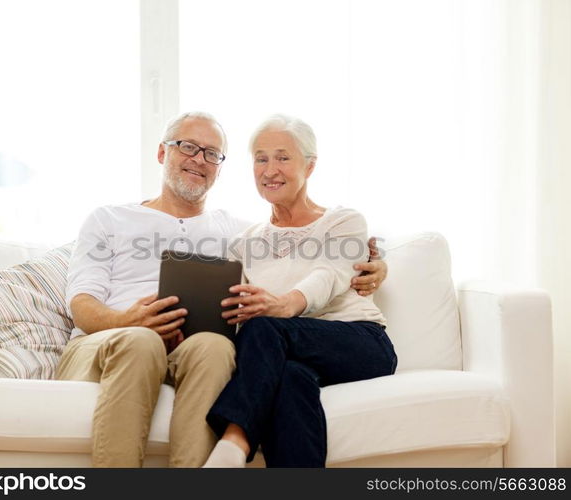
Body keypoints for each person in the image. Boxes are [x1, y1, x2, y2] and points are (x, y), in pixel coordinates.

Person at [54, 111, 388, 467]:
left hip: (191, 347)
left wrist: (377, 262)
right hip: (112, 342)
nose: (199, 159)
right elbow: (82, 305)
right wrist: (129, 319)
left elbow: (313, 247)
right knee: (144, 340)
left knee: (216, 347)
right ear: (162, 153)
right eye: (187, 147)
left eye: (211, 153)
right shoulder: (109, 218)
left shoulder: (232, 231)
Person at [202, 114, 398, 468]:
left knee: (264, 326)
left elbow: (329, 274)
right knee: (291, 379)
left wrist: (284, 304)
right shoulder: (244, 243)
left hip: (358, 342)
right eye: (261, 158)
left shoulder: (342, 221)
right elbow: (235, 308)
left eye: (282, 157)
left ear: (309, 166)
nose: (270, 169)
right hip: (292, 356)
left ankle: (235, 440)